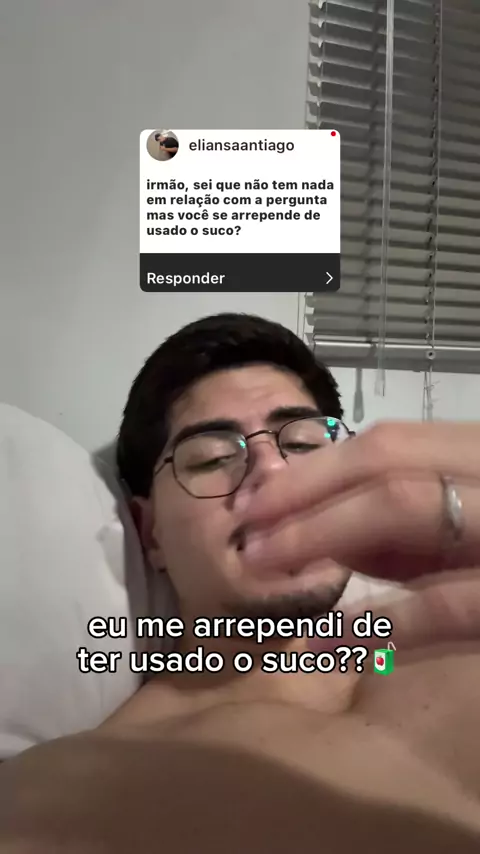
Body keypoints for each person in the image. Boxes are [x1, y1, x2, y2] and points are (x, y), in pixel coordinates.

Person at [1, 312, 480, 853]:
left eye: (303, 444)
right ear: (151, 533)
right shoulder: (69, 801)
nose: (273, 470)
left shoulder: (456, 639)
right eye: (212, 458)